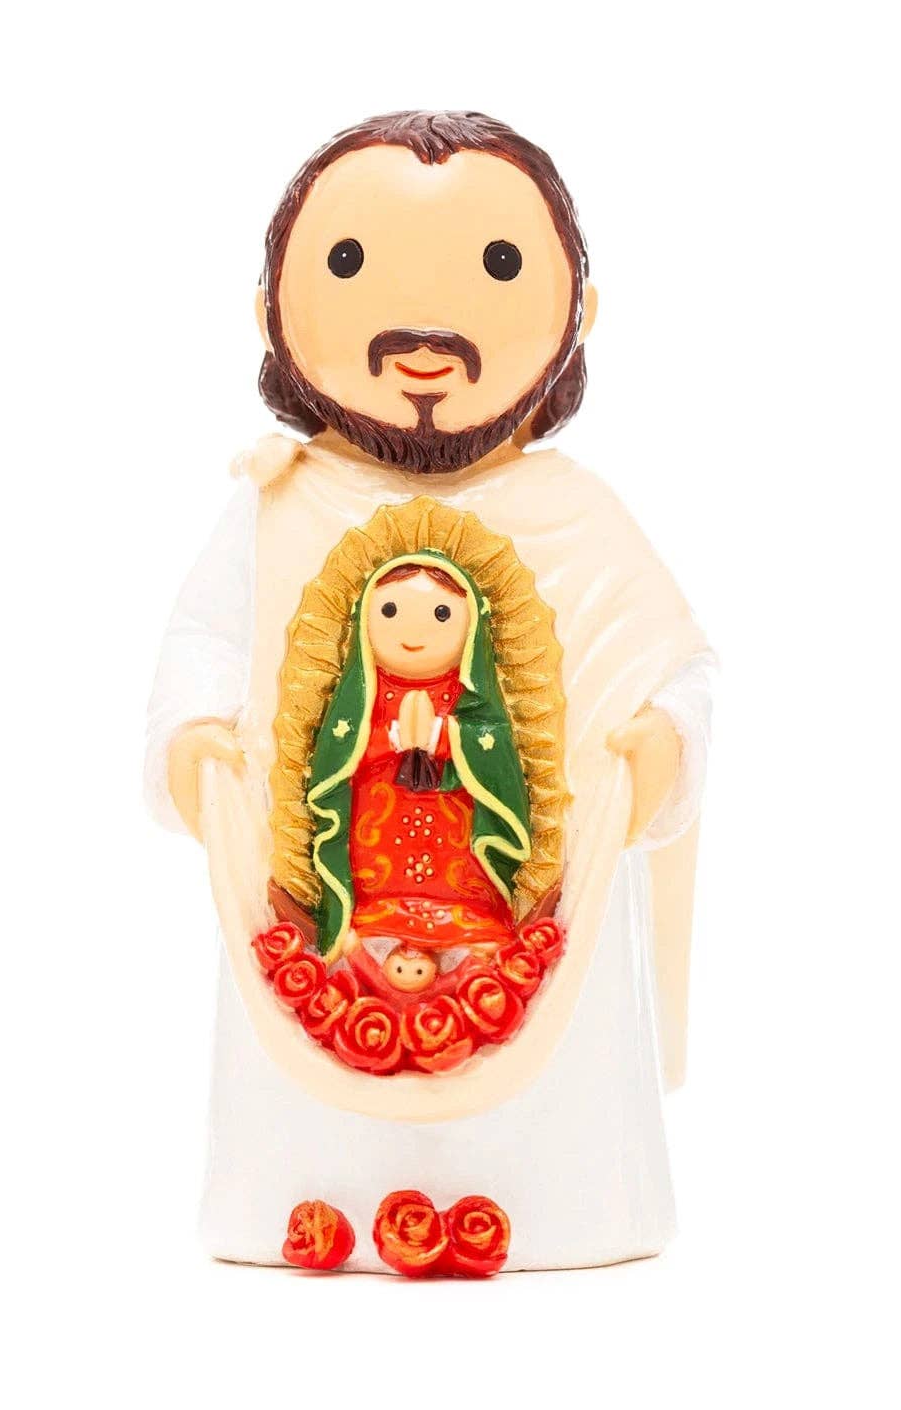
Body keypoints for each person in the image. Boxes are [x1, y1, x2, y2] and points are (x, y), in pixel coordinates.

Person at [146, 111, 713, 1271]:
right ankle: (310, 1200)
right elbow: (207, 636)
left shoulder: (576, 517)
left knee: (552, 1106)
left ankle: (555, 1201)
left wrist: (665, 741)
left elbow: (673, 662)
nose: (424, 336)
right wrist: (192, 734)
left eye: (497, 267)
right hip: (331, 894)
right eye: (351, 264)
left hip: (524, 906)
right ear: (271, 312)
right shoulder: (276, 505)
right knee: (305, 1086)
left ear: (577, 314)